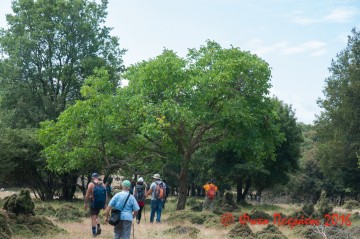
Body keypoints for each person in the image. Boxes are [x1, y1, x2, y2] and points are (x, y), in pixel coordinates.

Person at [84, 173, 108, 237]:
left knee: (93, 218)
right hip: (100, 203)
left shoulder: (91, 184)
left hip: (93, 203)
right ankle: (99, 226)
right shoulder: (102, 184)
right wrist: (105, 204)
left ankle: (94, 234)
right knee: (97, 215)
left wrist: (85, 203)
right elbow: (106, 195)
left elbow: (87, 195)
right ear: (97, 177)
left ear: (92, 177)